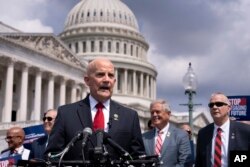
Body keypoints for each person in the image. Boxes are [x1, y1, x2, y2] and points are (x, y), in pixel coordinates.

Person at [44, 58, 145, 161]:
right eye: (100, 75)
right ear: (87, 80)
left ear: (114, 82)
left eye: (110, 75)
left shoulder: (129, 117)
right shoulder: (66, 114)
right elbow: (53, 156)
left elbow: (139, 158)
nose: (106, 80)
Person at [195, 92, 250, 167]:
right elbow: (199, 162)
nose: (214, 107)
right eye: (211, 105)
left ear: (229, 108)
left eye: (219, 104)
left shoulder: (245, 131)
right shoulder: (203, 133)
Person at [142, 99, 192, 166]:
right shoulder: (144, 137)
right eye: (152, 112)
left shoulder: (181, 135)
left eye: (157, 112)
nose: (154, 115)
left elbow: (185, 163)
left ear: (168, 114)